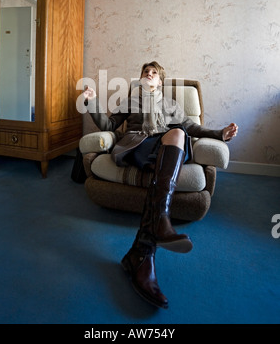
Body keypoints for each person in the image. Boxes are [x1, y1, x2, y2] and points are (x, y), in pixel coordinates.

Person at [83, 61, 238, 309]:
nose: (149, 74)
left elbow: (193, 127)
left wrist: (220, 133)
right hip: (139, 145)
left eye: (154, 73)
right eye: (145, 72)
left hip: (165, 149)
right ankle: (157, 228)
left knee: (178, 134)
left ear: (160, 81)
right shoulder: (131, 100)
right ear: (140, 78)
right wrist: (91, 101)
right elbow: (109, 126)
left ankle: (146, 244)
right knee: (173, 141)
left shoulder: (171, 105)